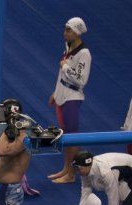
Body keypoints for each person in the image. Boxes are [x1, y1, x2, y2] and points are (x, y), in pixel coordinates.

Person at [46, 18, 91, 184]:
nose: (64, 33)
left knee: (72, 138)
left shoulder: (84, 54)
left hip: (72, 98)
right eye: (65, 29)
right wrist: (55, 93)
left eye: (68, 30)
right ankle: (66, 168)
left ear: (77, 32)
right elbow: (61, 76)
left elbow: (81, 80)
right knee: (65, 136)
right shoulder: (69, 47)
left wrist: (65, 67)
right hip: (62, 96)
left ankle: (71, 174)